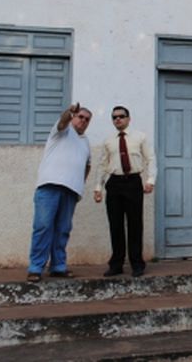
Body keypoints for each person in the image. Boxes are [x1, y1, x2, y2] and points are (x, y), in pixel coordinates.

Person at [26, 103, 92, 283]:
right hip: (49, 186)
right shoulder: (62, 130)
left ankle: (58, 266)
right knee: (43, 226)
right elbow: (63, 121)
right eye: (80, 117)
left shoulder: (85, 142)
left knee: (63, 229)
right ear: (74, 117)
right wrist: (68, 112)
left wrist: (80, 183)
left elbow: (87, 165)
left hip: (71, 192)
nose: (83, 121)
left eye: (87, 119)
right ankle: (35, 268)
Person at [94, 105, 156, 278]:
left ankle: (137, 263)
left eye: (121, 116)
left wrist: (150, 180)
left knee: (135, 224)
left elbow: (150, 159)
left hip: (133, 182)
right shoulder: (108, 141)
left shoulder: (140, 137)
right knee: (116, 225)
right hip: (114, 184)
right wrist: (98, 187)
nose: (118, 119)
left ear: (128, 119)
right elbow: (102, 165)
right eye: (114, 117)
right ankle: (116, 264)